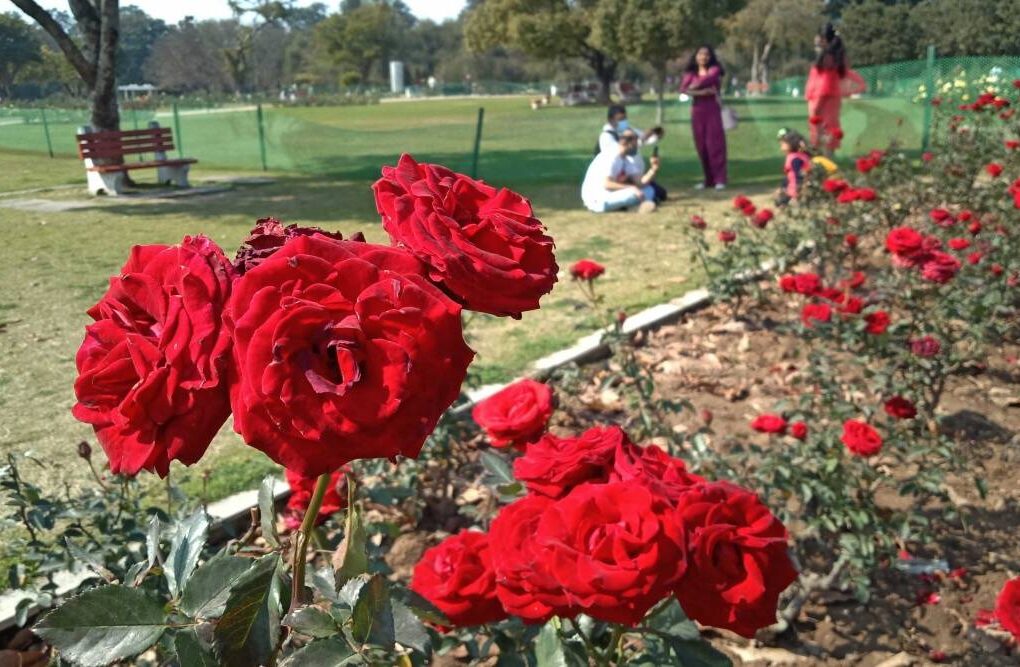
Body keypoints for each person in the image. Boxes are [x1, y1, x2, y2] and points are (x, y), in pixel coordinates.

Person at [806, 23, 866, 154]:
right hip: (832, 98)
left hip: (821, 98)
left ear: (823, 39)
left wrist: (816, 106)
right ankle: (827, 161)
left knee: (820, 129)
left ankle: (821, 163)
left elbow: (824, 82)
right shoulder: (837, 56)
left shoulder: (827, 57)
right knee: (831, 127)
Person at [680, 45, 728, 190]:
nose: (703, 57)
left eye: (706, 54)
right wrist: (701, 93)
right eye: (700, 54)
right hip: (697, 111)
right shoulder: (691, 72)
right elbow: (683, 89)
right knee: (701, 146)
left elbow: (707, 80)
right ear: (696, 56)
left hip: (712, 110)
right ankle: (708, 180)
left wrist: (693, 88)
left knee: (715, 145)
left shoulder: (715, 70)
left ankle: (720, 179)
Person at [581, 129, 660, 213]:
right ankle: (630, 206)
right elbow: (607, 184)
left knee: (649, 190)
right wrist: (632, 188)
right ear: (627, 143)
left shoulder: (626, 158)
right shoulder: (612, 156)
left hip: (609, 194)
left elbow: (640, 183)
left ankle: (624, 206)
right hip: (597, 198)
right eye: (636, 142)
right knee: (633, 194)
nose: (637, 146)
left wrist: (654, 168)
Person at [774, 128, 839, 206]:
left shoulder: (795, 159)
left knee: (780, 202)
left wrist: (796, 194)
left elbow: (798, 177)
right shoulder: (801, 155)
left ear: (792, 143)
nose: (781, 145)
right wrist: (782, 187)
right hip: (798, 189)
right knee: (779, 200)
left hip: (796, 192)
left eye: (783, 143)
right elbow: (789, 176)